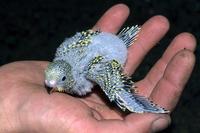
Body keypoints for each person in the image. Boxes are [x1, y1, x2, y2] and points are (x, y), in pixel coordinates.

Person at [0, 4, 196, 133]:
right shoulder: (62, 51)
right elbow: (82, 37)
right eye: (49, 83)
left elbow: (116, 86)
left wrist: (137, 106)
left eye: (58, 83)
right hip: (99, 41)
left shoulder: (91, 70)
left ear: (68, 77)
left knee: (115, 91)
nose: (52, 88)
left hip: (111, 50)